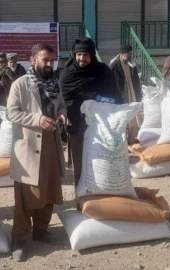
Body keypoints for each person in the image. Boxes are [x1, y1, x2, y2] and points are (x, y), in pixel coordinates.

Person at [7, 44, 67, 261]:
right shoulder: (20, 84)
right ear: (33, 60)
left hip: (51, 143)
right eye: (45, 60)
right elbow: (12, 113)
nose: (49, 64)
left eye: (52, 60)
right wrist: (37, 119)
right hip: (28, 146)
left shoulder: (54, 83)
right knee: (26, 196)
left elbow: (61, 106)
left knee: (50, 188)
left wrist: (62, 114)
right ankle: (20, 239)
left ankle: (41, 230)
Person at [60, 37, 117, 186]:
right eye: (78, 55)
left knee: (101, 159)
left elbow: (112, 95)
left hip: (101, 125)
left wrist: (93, 99)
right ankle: (81, 194)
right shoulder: (68, 73)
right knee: (80, 162)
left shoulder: (103, 71)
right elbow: (64, 98)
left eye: (85, 55)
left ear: (91, 54)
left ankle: (102, 191)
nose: (81, 58)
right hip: (77, 123)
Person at [110, 45, 142, 145]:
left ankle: (132, 139)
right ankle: (122, 141)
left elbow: (136, 80)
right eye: (126, 53)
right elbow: (112, 82)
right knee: (122, 118)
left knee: (133, 117)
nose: (128, 55)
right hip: (120, 96)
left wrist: (138, 94)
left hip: (132, 93)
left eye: (129, 53)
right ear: (121, 54)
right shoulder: (115, 65)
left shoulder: (131, 64)